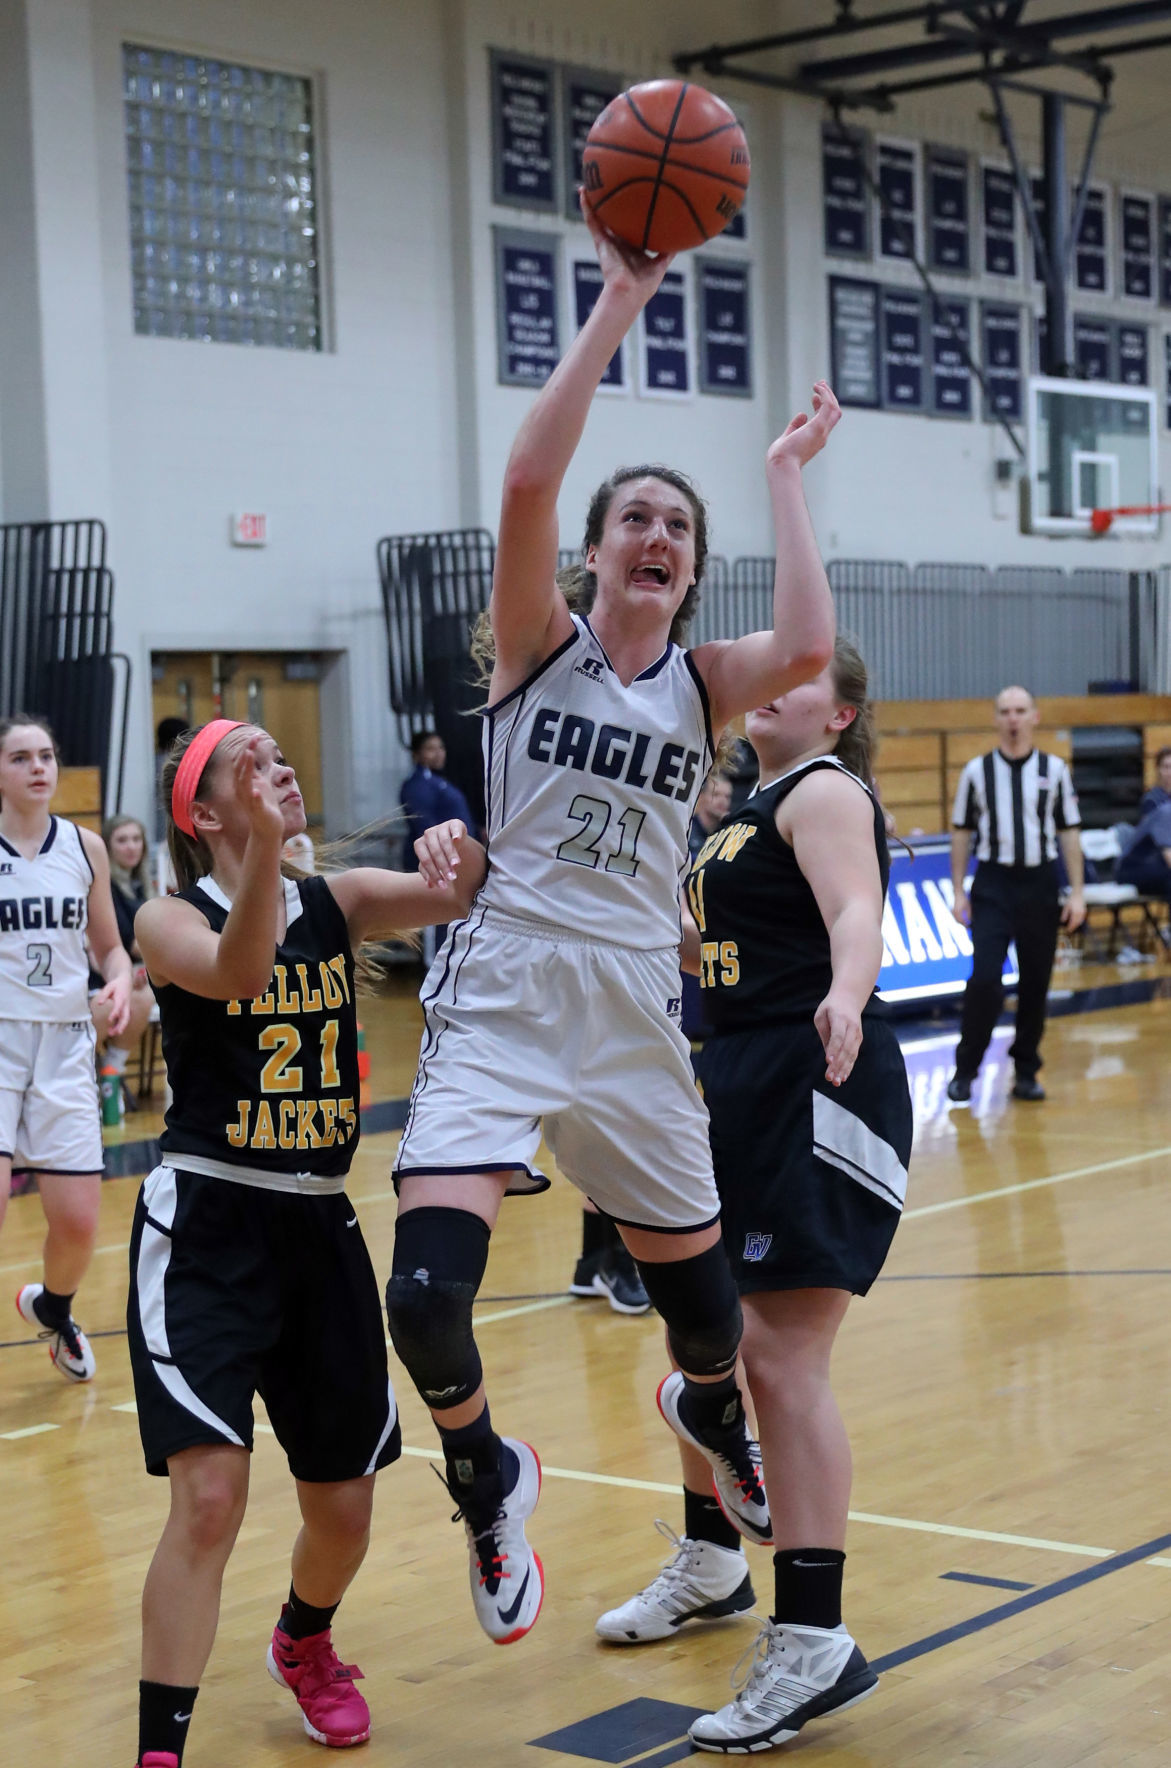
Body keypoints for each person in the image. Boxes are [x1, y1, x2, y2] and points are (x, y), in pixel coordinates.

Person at [390, 195, 839, 1647]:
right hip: (509, 985)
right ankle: (484, 1473)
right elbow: (527, 478)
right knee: (424, 1298)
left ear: (688, 571)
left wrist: (779, 475)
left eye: (674, 528)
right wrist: (621, 297)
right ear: (592, 554)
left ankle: (700, 1411)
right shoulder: (539, 649)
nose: (653, 534)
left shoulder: (703, 684)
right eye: (633, 519)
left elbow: (813, 647)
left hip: (638, 1004)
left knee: (707, 1330)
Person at [127, 718, 485, 1768]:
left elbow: (466, 890)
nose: (277, 767)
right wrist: (267, 868)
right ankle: (160, 1751)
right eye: (249, 763)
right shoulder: (166, 916)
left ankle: (304, 1638)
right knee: (210, 1496)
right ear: (201, 814)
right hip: (209, 1223)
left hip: (321, 1224)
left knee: (344, 1506)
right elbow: (240, 975)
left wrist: (452, 850)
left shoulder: (343, 901)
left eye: (283, 755)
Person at [597, 639, 910, 1754]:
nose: (777, 672)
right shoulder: (745, 805)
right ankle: (715, 1559)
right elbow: (714, 945)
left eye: (806, 668)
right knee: (703, 1342)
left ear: (838, 714)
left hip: (811, 1077)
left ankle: (815, 1636)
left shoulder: (824, 788)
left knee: (777, 1359)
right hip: (732, 1076)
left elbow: (854, 912)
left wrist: (845, 991)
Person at [0, 714, 132, 1381]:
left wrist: (116, 985)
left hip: (67, 1042)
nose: (38, 768)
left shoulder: (85, 849)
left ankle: (54, 1309)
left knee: (79, 1225)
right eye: (21, 757)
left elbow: (108, 946)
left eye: (46, 755)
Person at [947, 686, 1085, 1105]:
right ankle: (967, 1069)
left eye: (1020, 711)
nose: (1013, 718)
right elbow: (961, 832)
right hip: (993, 884)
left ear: (1035, 717)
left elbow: (1069, 832)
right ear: (996, 718)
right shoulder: (976, 771)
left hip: (1040, 884)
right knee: (985, 978)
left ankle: (1026, 1070)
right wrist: (958, 891)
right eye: (1005, 711)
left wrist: (1077, 892)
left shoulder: (1055, 769)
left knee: (1036, 982)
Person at [91, 816, 157, 1104]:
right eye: (122, 840)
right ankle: (93, 1078)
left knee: (143, 997)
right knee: (134, 999)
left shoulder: (142, 886)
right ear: (107, 846)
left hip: (130, 977)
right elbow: (134, 945)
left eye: (136, 839)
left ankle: (111, 1071)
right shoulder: (103, 888)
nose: (131, 847)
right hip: (95, 985)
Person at [400, 730, 474, 870]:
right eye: (430, 749)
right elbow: (424, 825)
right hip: (436, 863)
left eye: (440, 747)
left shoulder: (439, 781)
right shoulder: (418, 785)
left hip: (453, 857)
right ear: (416, 755)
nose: (438, 753)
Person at [689, 770, 733, 859]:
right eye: (716, 795)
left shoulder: (727, 830)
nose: (722, 801)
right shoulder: (688, 829)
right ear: (701, 796)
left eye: (727, 796)